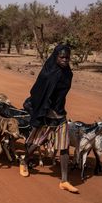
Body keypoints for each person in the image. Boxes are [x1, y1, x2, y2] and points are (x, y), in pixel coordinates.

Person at [19, 44, 79, 194]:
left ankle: (64, 181)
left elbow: (61, 94)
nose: (65, 60)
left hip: (60, 114)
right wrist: (43, 109)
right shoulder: (48, 73)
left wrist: (58, 109)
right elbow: (36, 92)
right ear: (56, 57)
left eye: (67, 57)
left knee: (64, 146)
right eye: (62, 57)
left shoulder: (68, 74)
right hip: (46, 114)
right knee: (38, 141)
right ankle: (24, 160)